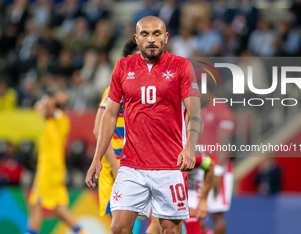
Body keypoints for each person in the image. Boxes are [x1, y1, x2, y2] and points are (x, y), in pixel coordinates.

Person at [85, 16, 201, 234]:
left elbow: (194, 113)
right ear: (136, 39)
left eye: (156, 34)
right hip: (132, 165)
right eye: (145, 34)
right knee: (118, 227)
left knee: (170, 230)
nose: (151, 39)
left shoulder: (181, 66)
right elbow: (109, 116)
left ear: (166, 37)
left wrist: (190, 147)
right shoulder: (122, 67)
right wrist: (97, 158)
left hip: (169, 164)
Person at [27, 90, 86, 234]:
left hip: (50, 170)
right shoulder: (51, 119)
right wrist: (51, 97)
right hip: (52, 170)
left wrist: (53, 97)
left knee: (36, 204)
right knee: (58, 209)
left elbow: (45, 106)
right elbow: (38, 107)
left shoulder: (60, 118)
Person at [93, 40, 139, 217]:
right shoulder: (114, 89)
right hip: (118, 163)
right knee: (120, 224)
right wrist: (114, 164)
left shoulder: (147, 91)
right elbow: (98, 129)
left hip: (139, 164)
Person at [146, 156, 214, 234]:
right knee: (157, 224)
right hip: (169, 199)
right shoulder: (157, 155)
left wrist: (203, 201)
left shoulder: (186, 155)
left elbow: (210, 165)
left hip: (190, 205)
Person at [199, 83, 234, 234]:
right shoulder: (200, 110)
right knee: (198, 212)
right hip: (201, 167)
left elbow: (225, 145)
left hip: (217, 168)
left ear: (207, 90)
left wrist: (218, 172)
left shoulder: (221, 110)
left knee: (216, 213)